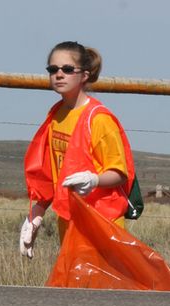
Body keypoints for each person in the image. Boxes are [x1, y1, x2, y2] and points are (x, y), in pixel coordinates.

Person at [19, 41, 135, 259]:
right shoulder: (56, 115)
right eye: (53, 70)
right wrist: (35, 216)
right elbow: (52, 172)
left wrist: (93, 180)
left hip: (102, 221)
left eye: (67, 69)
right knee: (76, 290)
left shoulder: (99, 119)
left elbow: (119, 173)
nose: (59, 74)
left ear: (84, 75)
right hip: (69, 220)